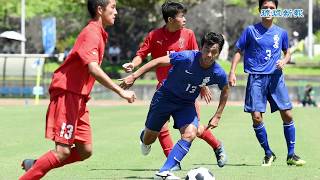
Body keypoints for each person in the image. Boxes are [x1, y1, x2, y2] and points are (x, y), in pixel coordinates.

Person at [19, 0, 136, 179]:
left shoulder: (99, 33)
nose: (116, 12)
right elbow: (93, 69)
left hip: (79, 97)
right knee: (62, 151)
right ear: (99, 10)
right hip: (68, 93)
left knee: (85, 150)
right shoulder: (91, 33)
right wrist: (121, 91)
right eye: (113, 7)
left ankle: (36, 165)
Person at [122, 1, 227, 169]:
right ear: (171, 19)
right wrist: (133, 66)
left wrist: (203, 84)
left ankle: (217, 147)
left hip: (189, 91)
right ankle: (166, 157)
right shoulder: (154, 35)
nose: (185, 19)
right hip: (165, 88)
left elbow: (201, 59)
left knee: (196, 130)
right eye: (181, 16)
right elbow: (141, 55)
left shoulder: (189, 34)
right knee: (155, 132)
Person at [228, 0, 306, 167]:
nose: (269, 10)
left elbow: (287, 52)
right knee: (256, 117)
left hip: (276, 78)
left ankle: (291, 155)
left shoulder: (282, 33)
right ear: (260, 10)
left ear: (276, 11)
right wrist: (232, 71)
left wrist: (284, 61)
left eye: (272, 8)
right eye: (265, 8)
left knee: (288, 115)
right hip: (256, 78)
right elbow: (238, 51)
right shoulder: (250, 31)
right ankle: (268, 153)